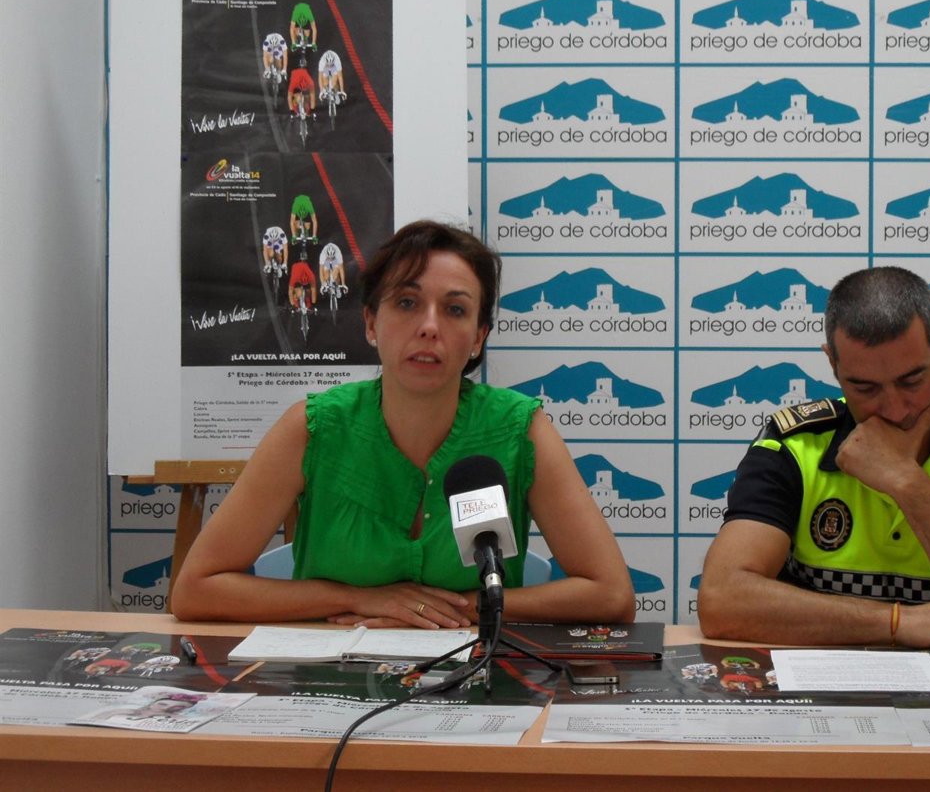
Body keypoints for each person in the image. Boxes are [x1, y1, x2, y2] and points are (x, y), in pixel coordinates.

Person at [172, 220, 634, 625]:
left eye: (455, 309)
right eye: (407, 303)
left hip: (474, 673)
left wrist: (461, 609)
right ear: (371, 323)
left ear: (478, 337)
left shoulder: (519, 429)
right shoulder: (313, 428)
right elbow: (195, 590)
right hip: (332, 680)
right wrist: (359, 599)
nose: (429, 326)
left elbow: (611, 595)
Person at [698, 266, 930, 648]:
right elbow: (721, 601)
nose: (895, 410)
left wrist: (906, 481)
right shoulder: (793, 445)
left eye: (912, 381)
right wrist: (898, 622)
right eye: (864, 388)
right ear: (833, 365)